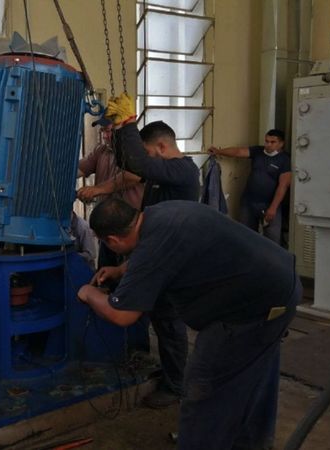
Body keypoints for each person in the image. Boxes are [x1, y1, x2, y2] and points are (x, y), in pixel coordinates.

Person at [78, 198, 301, 450]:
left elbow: (123, 315)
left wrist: (89, 293)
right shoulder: (162, 213)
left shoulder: (152, 247)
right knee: (256, 376)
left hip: (251, 309)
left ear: (113, 241)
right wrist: (121, 271)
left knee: (203, 390)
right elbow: (160, 252)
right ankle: (253, 443)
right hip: (281, 283)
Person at [103, 94, 201, 409]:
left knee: (170, 325)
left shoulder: (184, 171)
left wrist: (130, 123)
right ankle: (172, 372)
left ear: (161, 147)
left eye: (149, 152)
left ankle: (176, 387)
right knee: (159, 319)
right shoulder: (163, 174)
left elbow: (139, 162)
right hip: (158, 255)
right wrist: (118, 129)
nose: (147, 160)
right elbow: (129, 162)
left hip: (174, 262)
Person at [77, 119, 144, 268]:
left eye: (109, 131)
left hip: (128, 231)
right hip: (107, 229)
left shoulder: (136, 151)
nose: (105, 136)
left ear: (121, 129)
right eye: (103, 131)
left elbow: (133, 176)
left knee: (129, 272)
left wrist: (97, 189)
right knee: (106, 272)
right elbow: (79, 169)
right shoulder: (102, 151)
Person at [208, 129, 291, 244]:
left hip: (270, 205)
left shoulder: (284, 160)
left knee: (272, 241)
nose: (268, 145)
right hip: (249, 203)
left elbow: (283, 185)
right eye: (266, 141)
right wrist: (219, 151)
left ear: (281, 144)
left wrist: (273, 208)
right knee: (246, 237)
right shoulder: (258, 151)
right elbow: (238, 152)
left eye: (273, 142)